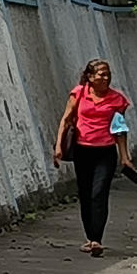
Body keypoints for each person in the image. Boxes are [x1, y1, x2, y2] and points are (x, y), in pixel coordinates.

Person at [53, 59, 132, 256]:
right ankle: (89, 237)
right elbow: (66, 119)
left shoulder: (117, 100)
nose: (106, 78)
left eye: (108, 74)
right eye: (101, 74)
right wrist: (58, 147)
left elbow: (120, 130)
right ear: (90, 77)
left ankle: (97, 239)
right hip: (82, 150)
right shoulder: (79, 94)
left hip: (105, 152)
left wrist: (125, 157)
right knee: (86, 194)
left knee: (99, 193)